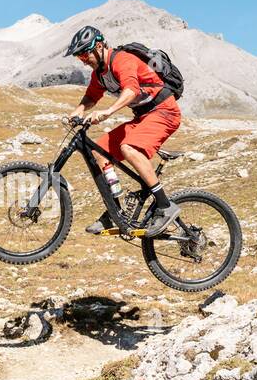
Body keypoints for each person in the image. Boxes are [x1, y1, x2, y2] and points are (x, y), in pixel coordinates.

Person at [64, 25, 181, 237]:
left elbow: (131, 90)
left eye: (84, 54)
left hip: (165, 111)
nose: (83, 60)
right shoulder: (99, 74)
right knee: (98, 151)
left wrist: (107, 112)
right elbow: (91, 97)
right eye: (79, 57)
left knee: (129, 148)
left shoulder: (122, 60)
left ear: (98, 46)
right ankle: (115, 212)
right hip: (143, 116)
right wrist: (78, 110)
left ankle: (165, 206)